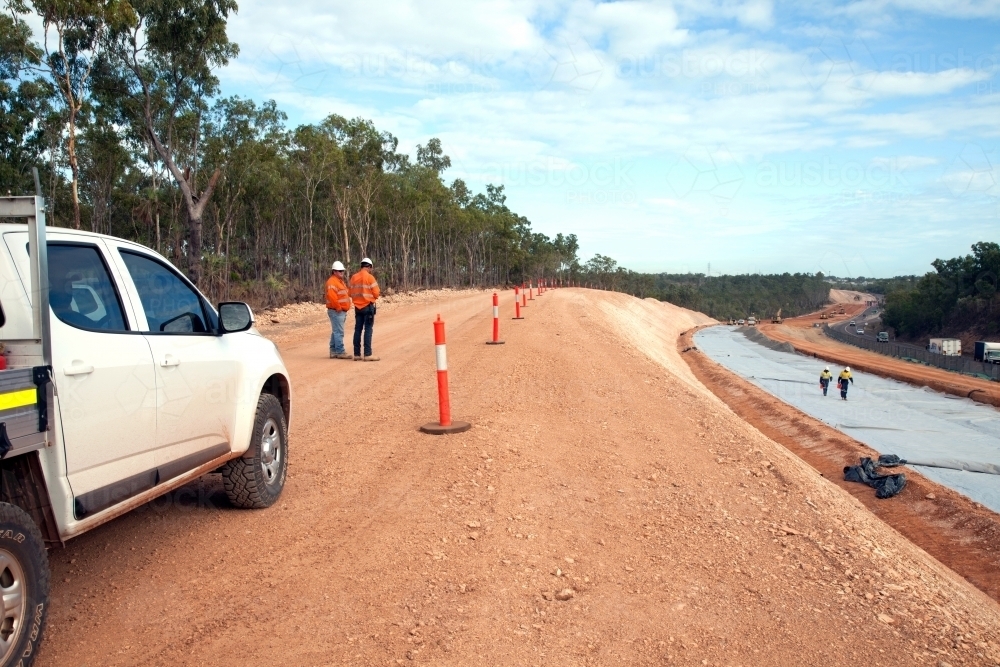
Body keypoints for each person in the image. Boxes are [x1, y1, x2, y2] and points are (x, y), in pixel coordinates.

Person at [349, 257, 380, 361]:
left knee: (357, 329)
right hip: (368, 307)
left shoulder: (353, 277)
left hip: (357, 308)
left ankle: (357, 354)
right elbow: (376, 293)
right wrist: (371, 298)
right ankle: (367, 354)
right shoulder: (370, 277)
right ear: (369, 267)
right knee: (368, 329)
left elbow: (350, 292)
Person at [325, 261, 352, 359]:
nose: (342, 273)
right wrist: (338, 307)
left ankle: (333, 351)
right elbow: (332, 296)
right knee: (339, 332)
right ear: (334, 271)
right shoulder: (332, 282)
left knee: (336, 331)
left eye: (342, 271)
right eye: (340, 271)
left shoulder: (339, 281)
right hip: (336, 311)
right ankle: (340, 351)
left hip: (340, 311)